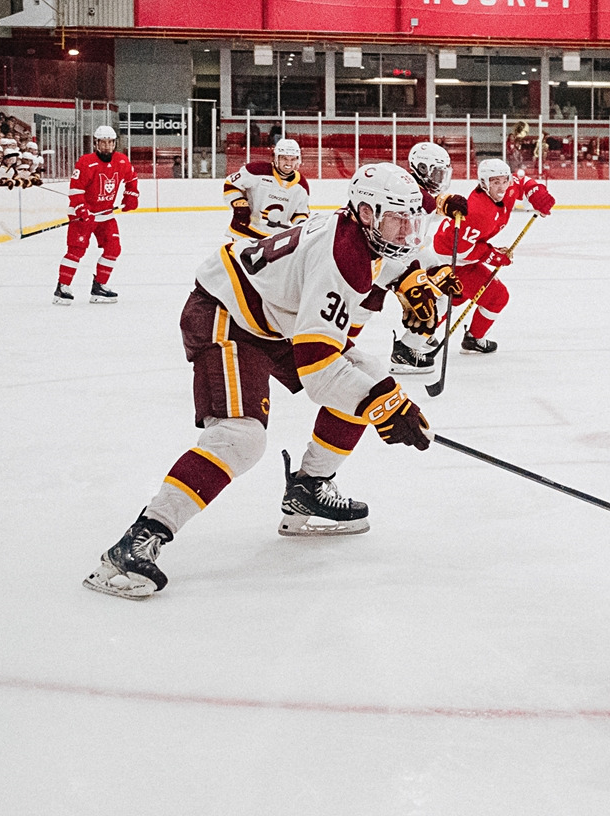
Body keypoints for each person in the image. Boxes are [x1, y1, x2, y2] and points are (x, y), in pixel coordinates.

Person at [83, 164, 435, 599]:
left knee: (369, 378)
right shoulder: (343, 255)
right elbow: (319, 371)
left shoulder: (359, 238)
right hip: (225, 311)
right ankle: (138, 539)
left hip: (272, 318)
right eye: (398, 219)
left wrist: (408, 284)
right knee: (241, 437)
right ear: (366, 213)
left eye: (411, 219)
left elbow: (353, 316)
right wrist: (386, 407)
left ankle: (309, 489)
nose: (408, 230)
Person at [417, 157, 555, 355]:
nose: (502, 187)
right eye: (495, 182)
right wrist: (491, 255)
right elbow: (462, 250)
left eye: (504, 181)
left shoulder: (506, 189)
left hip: (456, 253)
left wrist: (536, 192)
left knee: (456, 296)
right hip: (450, 258)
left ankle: (422, 334)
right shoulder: (478, 211)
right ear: (483, 182)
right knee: (496, 296)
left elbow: (522, 182)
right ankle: (470, 338)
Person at [390, 142, 468, 373]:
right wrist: (412, 275)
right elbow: (400, 240)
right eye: (436, 173)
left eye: (443, 173)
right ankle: (405, 352)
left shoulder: (414, 190)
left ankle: (418, 337)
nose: (440, 179)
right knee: (433, 299)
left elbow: (427, 212)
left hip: (409, 254)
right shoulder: (413, 196)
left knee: (442, 290)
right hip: (395, 258)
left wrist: (444, 203)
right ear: (422, 169)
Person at [56, 125, 139, 305]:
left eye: (110, 143)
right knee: (76, 250)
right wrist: (82, 209)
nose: (107, 146)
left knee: (113, 248)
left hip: (105, 215)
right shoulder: (86, 162)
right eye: (103, 142)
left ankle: (99, 286)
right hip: (82, 216)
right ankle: (62, 288)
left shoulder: (121, 161)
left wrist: (131, 196)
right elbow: (75, 190)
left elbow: (132, 179)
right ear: (96, 143)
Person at [223, 137, 310, 241]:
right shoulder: (256, 170)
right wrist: (240, 206)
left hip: (274, 240)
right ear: (276, 158)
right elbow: (231, 185)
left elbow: (300, 213)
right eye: (284, 158)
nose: (288, 163)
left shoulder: (301, 185)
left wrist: (301, 225)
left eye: (293, 159)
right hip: (244, 233)